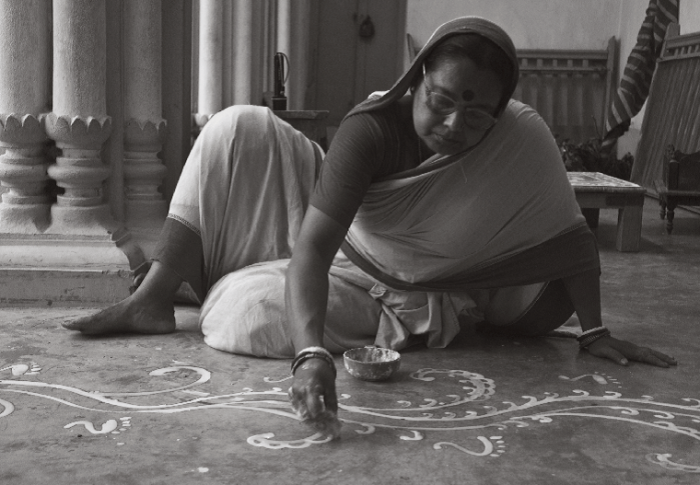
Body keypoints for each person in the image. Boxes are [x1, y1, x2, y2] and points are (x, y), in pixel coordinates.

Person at [65, 17, 677, 434]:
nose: (455, 124)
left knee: (246, 316)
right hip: (332, 234)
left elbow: (566, 236)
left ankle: (215, 274)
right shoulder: (370, 131)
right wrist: (310, 356)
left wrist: (593, 329)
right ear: (416, 82)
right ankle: (152, 298)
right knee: (235, 126)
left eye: (478, 113)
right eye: (442, 100)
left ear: (501, 114)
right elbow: (313, 249)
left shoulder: (519, 140)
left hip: (403, 286)